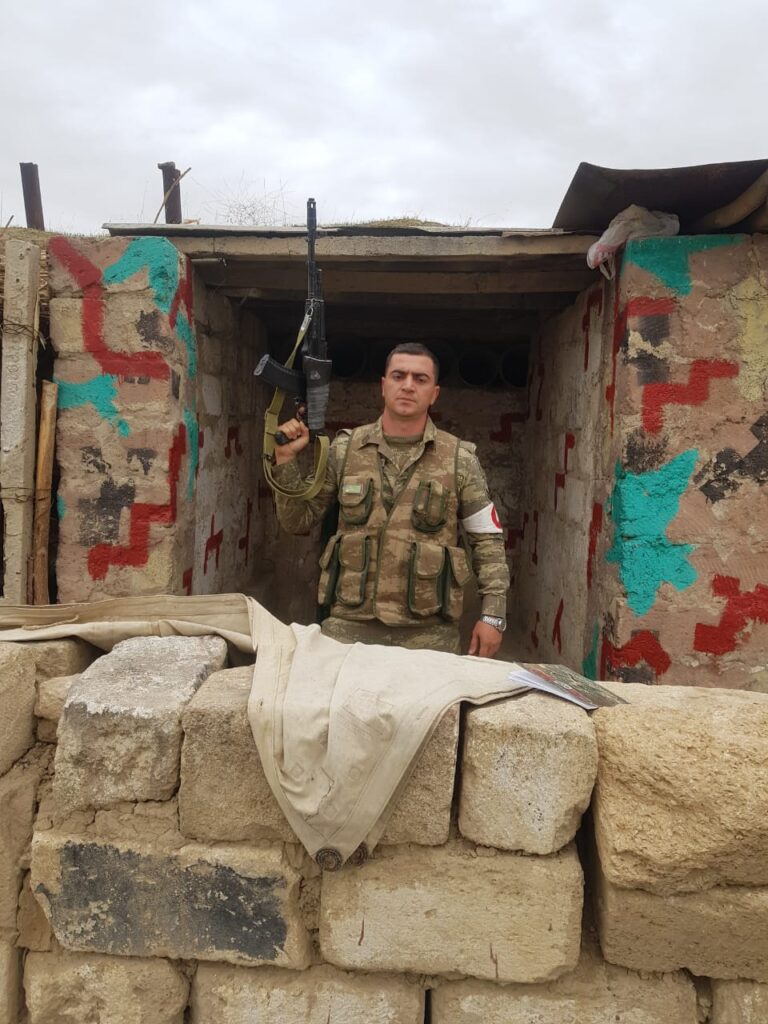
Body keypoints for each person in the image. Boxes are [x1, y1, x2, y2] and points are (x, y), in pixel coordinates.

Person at [271, 342, 510, 656]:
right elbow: (297, 521)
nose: (408, 385)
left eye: (420, 379)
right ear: (384, 387)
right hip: (348, 627)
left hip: (429, 633)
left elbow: (487, 541)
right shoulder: (344, 450)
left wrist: (493, 615)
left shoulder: (459, 459)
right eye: (399, 376)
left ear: (434, 393)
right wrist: (285, 459)